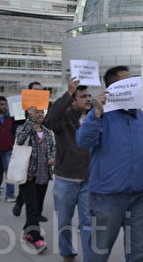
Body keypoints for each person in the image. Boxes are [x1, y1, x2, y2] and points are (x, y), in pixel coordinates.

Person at [76, 66, 143, 262]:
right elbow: (83, 141)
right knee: (99, 251)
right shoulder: (101, 116)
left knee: (139, 253)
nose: (134, 87)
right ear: (113, 88)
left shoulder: (141, 118)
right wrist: (97, 113)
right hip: (107, 198)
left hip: (139, 197)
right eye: (127, 83)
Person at [45, 79, 92, 262]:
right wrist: (67, 94)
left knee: (88, 223)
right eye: (83, 96)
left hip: (89, 180)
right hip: (66, 180)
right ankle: (67, 253)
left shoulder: (95, 117)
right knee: (64, 221)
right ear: (73, 101)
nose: (88, 99)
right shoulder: (63, 119)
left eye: (89, 95)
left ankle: (90, 257)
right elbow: (49, 120)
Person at [15, 106, 55, 254]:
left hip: (43, 176)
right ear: (29, 113)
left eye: (41, 112)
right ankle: (36, 239)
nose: (40, 114)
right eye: (36, 112)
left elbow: (52, 150)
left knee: (37, 209)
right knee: (32, 209)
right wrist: (30, 120)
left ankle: (27, 232)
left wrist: (52, 158)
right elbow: (19, 140)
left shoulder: (47, 132)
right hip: (28, 176)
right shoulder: (23, 129)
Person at [13, 81, 44, 216]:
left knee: (40, 182)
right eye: (35, 90)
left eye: (40, 90)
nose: (38, 92)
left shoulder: (46, 108)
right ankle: (20, 202)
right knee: (27, 180)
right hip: (26, 150)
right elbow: (15, 128)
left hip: (42, 150)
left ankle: (37, 212)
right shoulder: (20, 108)